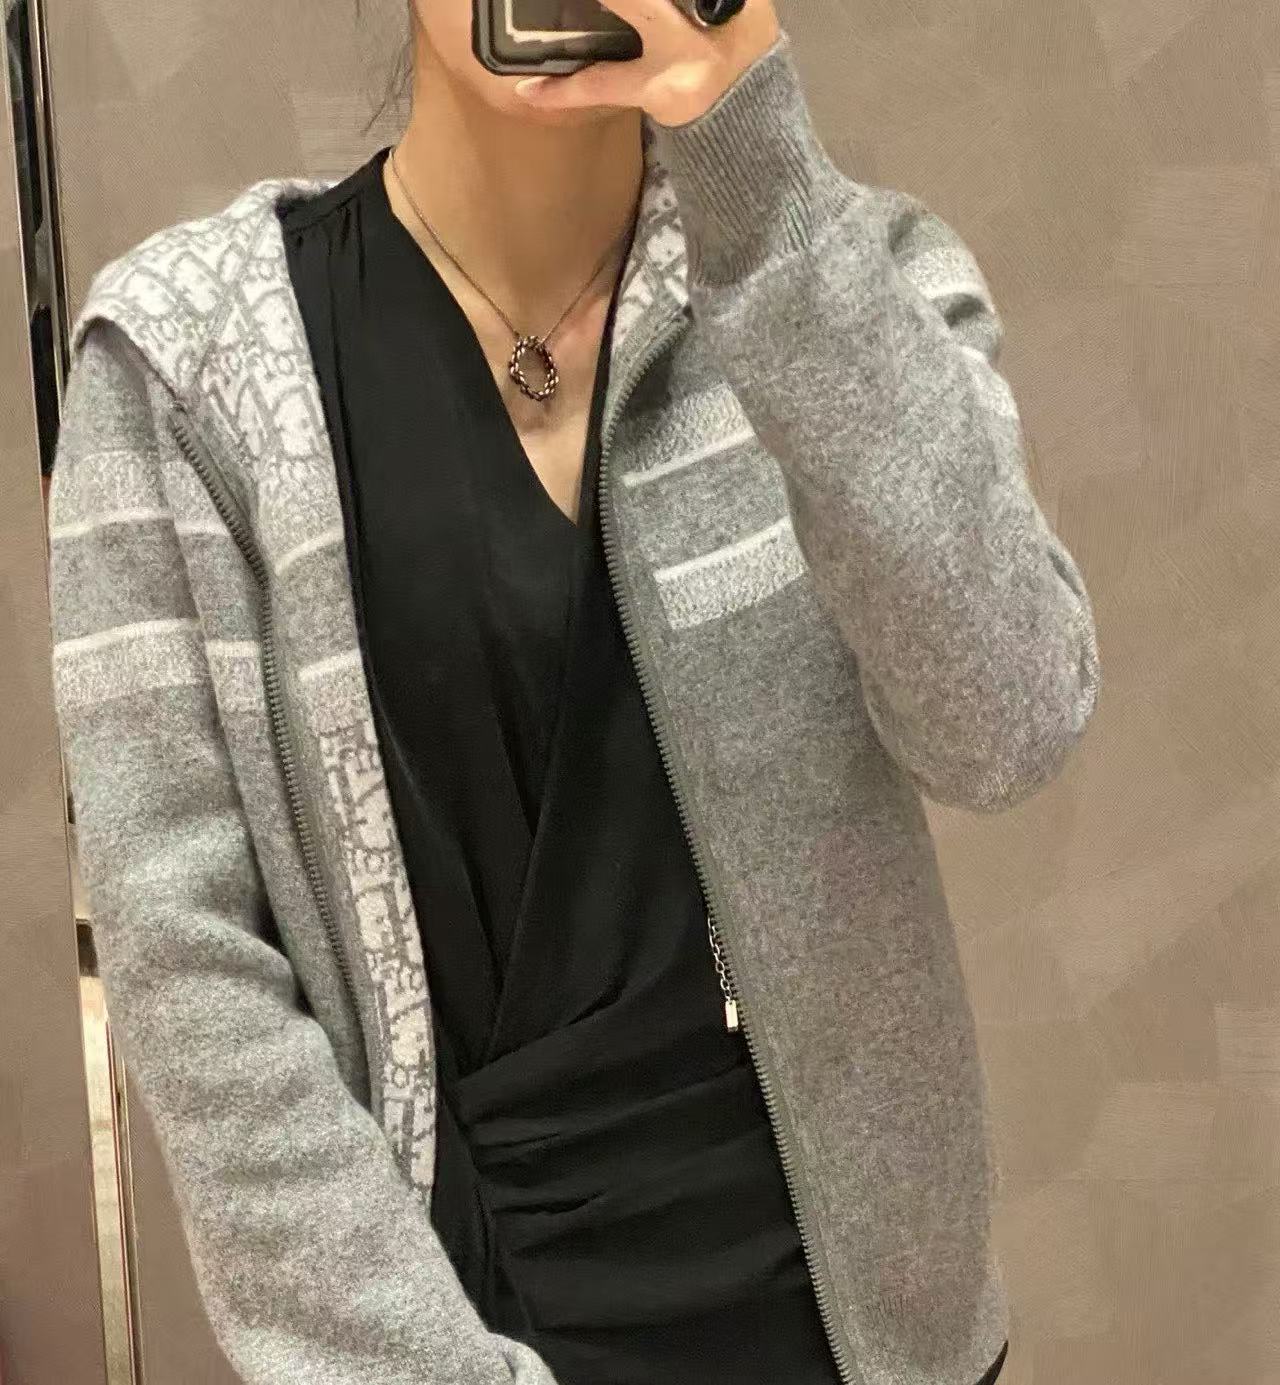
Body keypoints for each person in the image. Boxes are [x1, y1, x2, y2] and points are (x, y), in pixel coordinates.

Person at [46, 1, 1100, 1383]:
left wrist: (759, 175)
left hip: (866, 1336)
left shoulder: (847, 275)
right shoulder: (184, 371)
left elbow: (1008, 719)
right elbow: (191, 965)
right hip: (450, 1328)